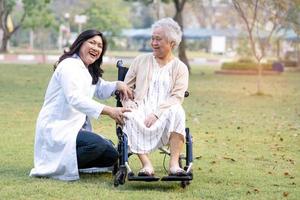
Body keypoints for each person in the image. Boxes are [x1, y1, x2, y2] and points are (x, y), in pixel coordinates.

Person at [30, 29, 133, 181]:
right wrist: (110, 110)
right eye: (92, 43)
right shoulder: (69, 65)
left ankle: (69, 163)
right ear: (80, 43)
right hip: (57, 128)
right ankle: (57, 165)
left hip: (73, 129)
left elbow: (100, 88)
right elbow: (75, 98)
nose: (96, 48)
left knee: (111, 155)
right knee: (97, 145)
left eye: (99, 46)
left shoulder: (86, 70)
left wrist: (118, 84)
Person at [122, 18, 189, 176]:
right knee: (128, 115)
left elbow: (177, 97)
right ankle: (146, 165)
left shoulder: (180, 68)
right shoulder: (141, 60)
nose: (153, 43)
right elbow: (125, 88)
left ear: (171, 43)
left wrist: (157, 113)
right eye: (152, 38)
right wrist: (128, 102)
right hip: (141, 107)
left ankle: (174, 165)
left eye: (158, 39)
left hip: (165, 110)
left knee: (178, 111)